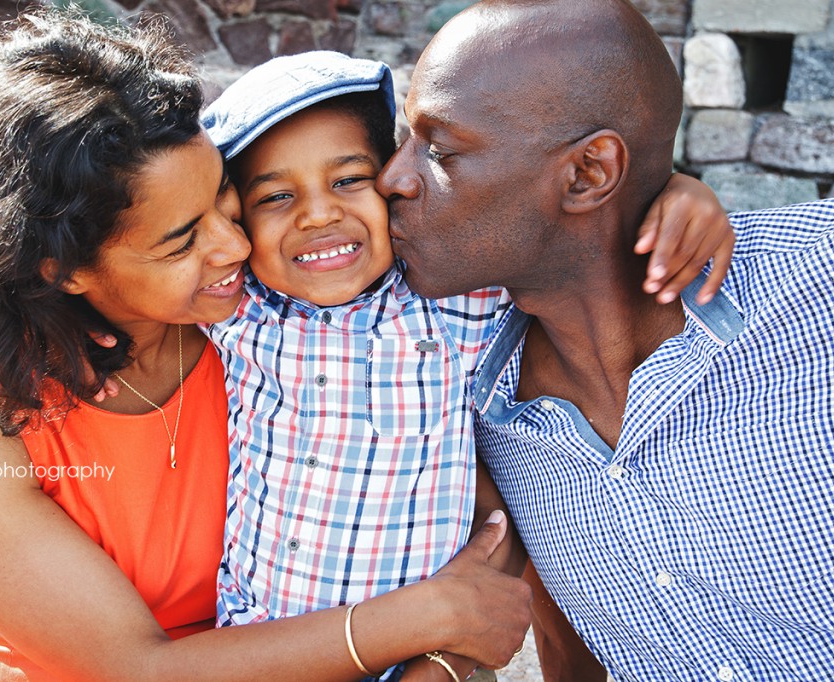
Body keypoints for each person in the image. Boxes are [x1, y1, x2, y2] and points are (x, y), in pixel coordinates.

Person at [0, 10, 537, 681]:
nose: (236, 247)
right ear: (62, 269)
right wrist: (423, 618)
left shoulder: (266, 319)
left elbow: (475, 481)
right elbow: (136, 670)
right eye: (182, 240)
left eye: (225, 203)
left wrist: (439, 659)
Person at [195, 49, 734, 681]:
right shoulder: (242, 310)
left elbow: (560, 232)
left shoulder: (448, 298)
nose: (318, 214)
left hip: (431, 652)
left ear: (393, 181)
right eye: (277, 196)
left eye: (348, 181)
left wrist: (677, 193)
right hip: (268, 644)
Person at [375, 1, 834, 681]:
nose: (394, 178)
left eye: (440, 151)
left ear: (589, 173)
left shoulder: (819, 291)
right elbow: (568, 635)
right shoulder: (462, 396)